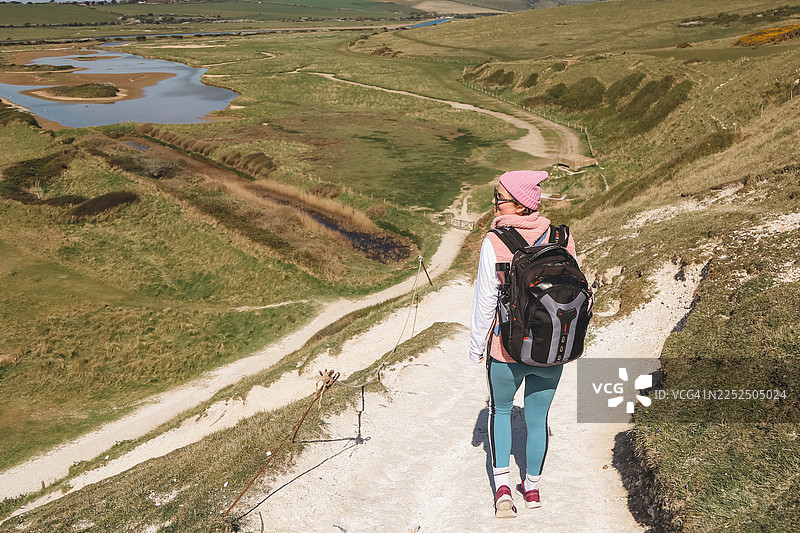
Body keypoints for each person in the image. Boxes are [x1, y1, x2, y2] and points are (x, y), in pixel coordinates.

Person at [469, 170, 577, 518]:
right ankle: (532, 489)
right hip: (552, 347)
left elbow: (485, 300)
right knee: (537, 418)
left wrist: (475, 347)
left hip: (508, 347)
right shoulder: (562, 237)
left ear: (518, 204)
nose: (495, 202)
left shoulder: (495, 241)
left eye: (498, 196)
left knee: (500, 411)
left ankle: (502, 491)